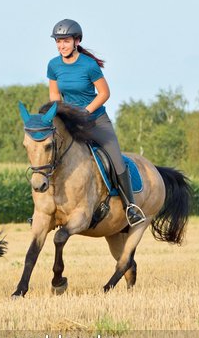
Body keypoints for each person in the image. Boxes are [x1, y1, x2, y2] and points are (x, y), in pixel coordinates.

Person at [46, 19, 145, 226]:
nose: (61, 45)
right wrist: (59, 118)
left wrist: (85, 111)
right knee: (49, 157)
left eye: (65, 41)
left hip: (96, 120)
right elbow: (55, 95)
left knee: (116, 160)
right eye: (58, 41)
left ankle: (131, 207)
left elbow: (104, 93)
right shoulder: (53, 65)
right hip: (70, 123)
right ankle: (46, 209)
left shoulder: (89, 65)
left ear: (76, 41)